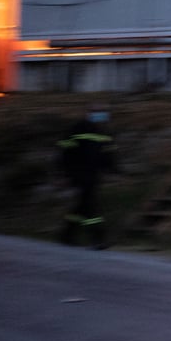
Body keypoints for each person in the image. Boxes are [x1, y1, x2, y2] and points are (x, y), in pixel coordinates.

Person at [57, 105, 116, 248]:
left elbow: (108, 154)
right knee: (90, 205)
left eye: (101, 114)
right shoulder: (77, 128)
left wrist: (113, 171)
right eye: (96, 113)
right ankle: (98, 238)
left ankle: (67, 235)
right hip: (78, 173)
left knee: (82, 205)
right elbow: (65, 153)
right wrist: (63, 174)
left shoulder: (104, 133)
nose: (99, 117)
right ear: (88, 113)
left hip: (94, 175)